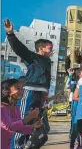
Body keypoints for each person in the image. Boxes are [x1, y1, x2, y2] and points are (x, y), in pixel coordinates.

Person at [4, 19, 52, 149]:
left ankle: (27, 145)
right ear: (41, 48)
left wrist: (45, 92)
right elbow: (19, 49)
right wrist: (10, 34)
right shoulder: (33, 57)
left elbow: (46, 78)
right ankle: (17, 146)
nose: (51, 50)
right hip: (30, 91)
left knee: (42, 127)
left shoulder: (48, 61)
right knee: (25, 120)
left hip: (40, 95)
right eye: (49, 47)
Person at [1, 79, 42, 149]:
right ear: (6, 91)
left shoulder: (16, 108)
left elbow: (18, 128)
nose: (22, 91)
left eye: (22, 89)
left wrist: (33, 126)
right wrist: (28, 118)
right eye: (17, 88)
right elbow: (10, 127)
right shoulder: (1, 108)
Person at [67, 67, 82, 149]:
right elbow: (68, 86)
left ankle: (80, 145)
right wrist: (70, 75)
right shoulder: (76, 83)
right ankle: (72, 145)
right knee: (75, 129)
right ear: (79, 75)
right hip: (76, 109)